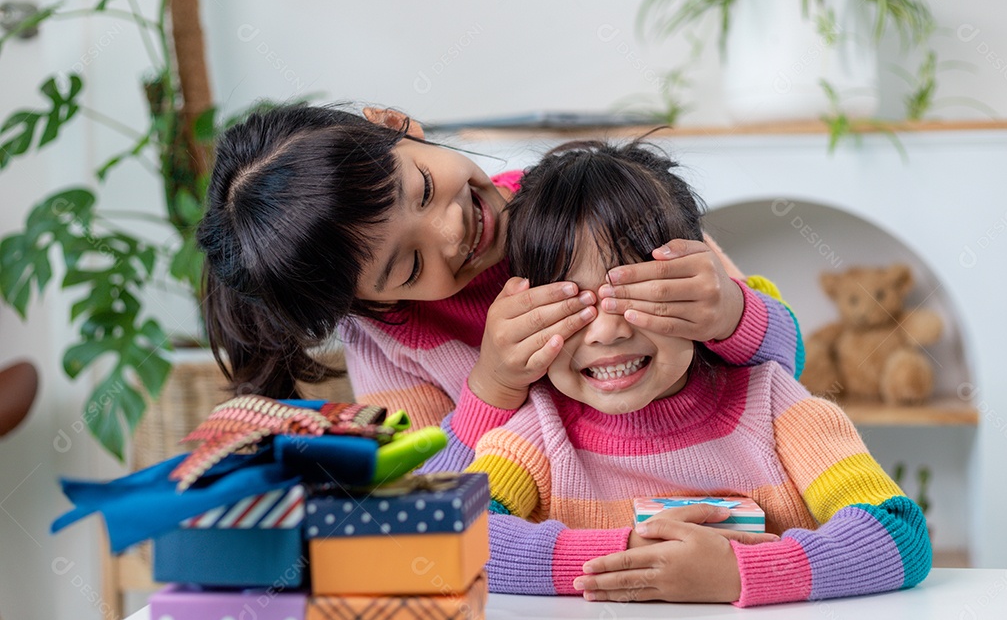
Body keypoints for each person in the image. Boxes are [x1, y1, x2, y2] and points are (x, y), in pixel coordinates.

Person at [426, 139, 931, 606]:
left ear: (693, 293)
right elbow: (451, 531)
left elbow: (900, 534)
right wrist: (628, 557)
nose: (605, 331)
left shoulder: (775, 407)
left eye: (632, 293)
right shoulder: (538, 431)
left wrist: (740, 572)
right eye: (569, 304)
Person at [198, 104, 802, 437]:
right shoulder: (387, 338)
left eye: (426, 187)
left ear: (396, 125)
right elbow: (431, 493)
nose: (451, 231)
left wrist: (731, 313)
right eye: (409, 266)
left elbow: (788, 362)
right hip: (555, 555)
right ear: (366, 303)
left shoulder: (586, 205)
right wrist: (492, 386)